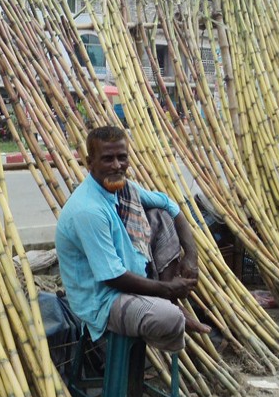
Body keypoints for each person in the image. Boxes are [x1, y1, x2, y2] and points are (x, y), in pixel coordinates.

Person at [56, 125, 210, 353]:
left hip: (129, 277)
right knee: (168, 319)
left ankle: (166, 303)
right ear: (90, 163)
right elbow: (112, 277)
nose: (117, 165)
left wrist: (191, 257)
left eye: (122, 157)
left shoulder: (123, 188)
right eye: (108, 159)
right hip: (103, 300)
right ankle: (169, 306)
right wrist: (166, 289)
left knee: (162, 216)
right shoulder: (88, 210)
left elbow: (171, 206)